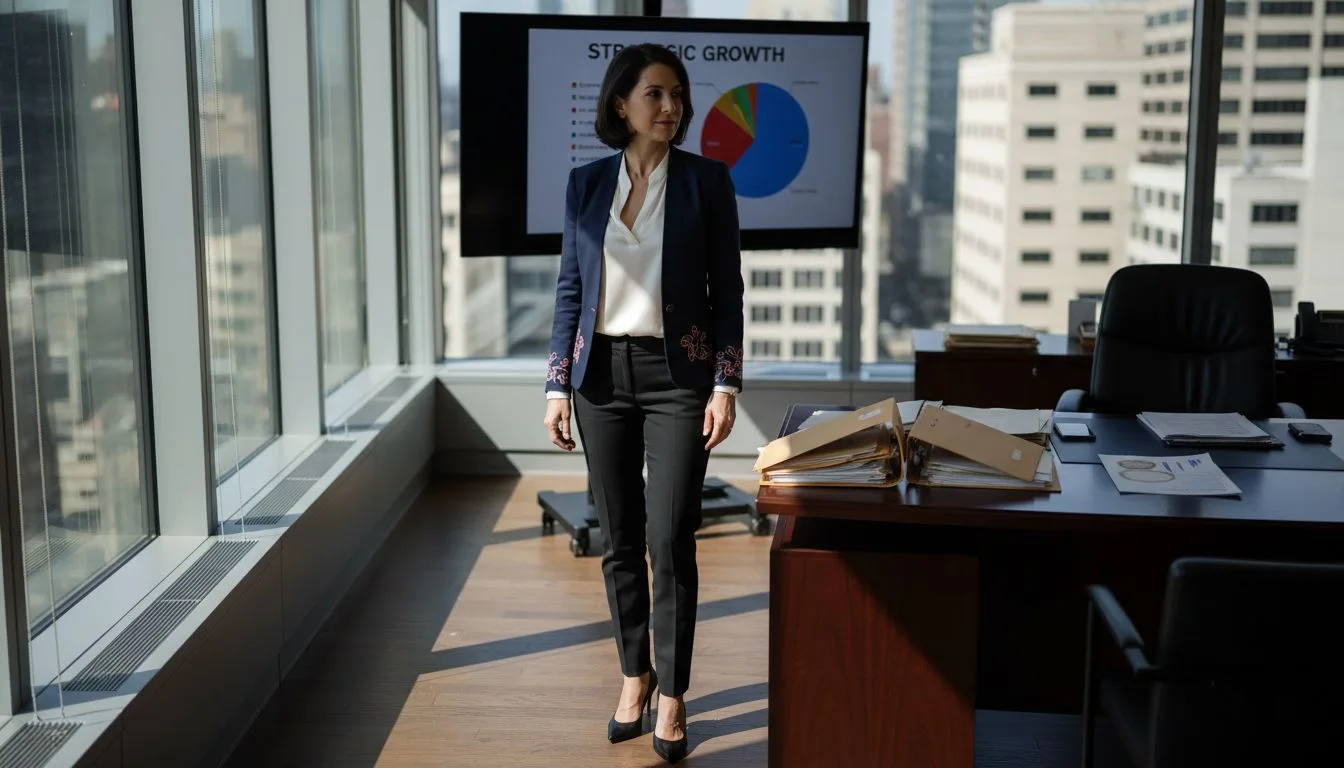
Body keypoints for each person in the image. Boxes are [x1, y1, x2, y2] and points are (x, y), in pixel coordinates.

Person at [541, 43, 744, 764]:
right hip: (601, 378)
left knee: (669, 538)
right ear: (620, 103)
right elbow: (571, 290)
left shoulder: (706, 183)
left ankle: (675, 693)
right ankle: (635, 675)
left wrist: (724, 383)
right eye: (655, 94)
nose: (671, 107)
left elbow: (729, 293)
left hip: (677, 377)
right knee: (620, 536)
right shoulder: (585, 185)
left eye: (678, 95)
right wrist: (556, 383)